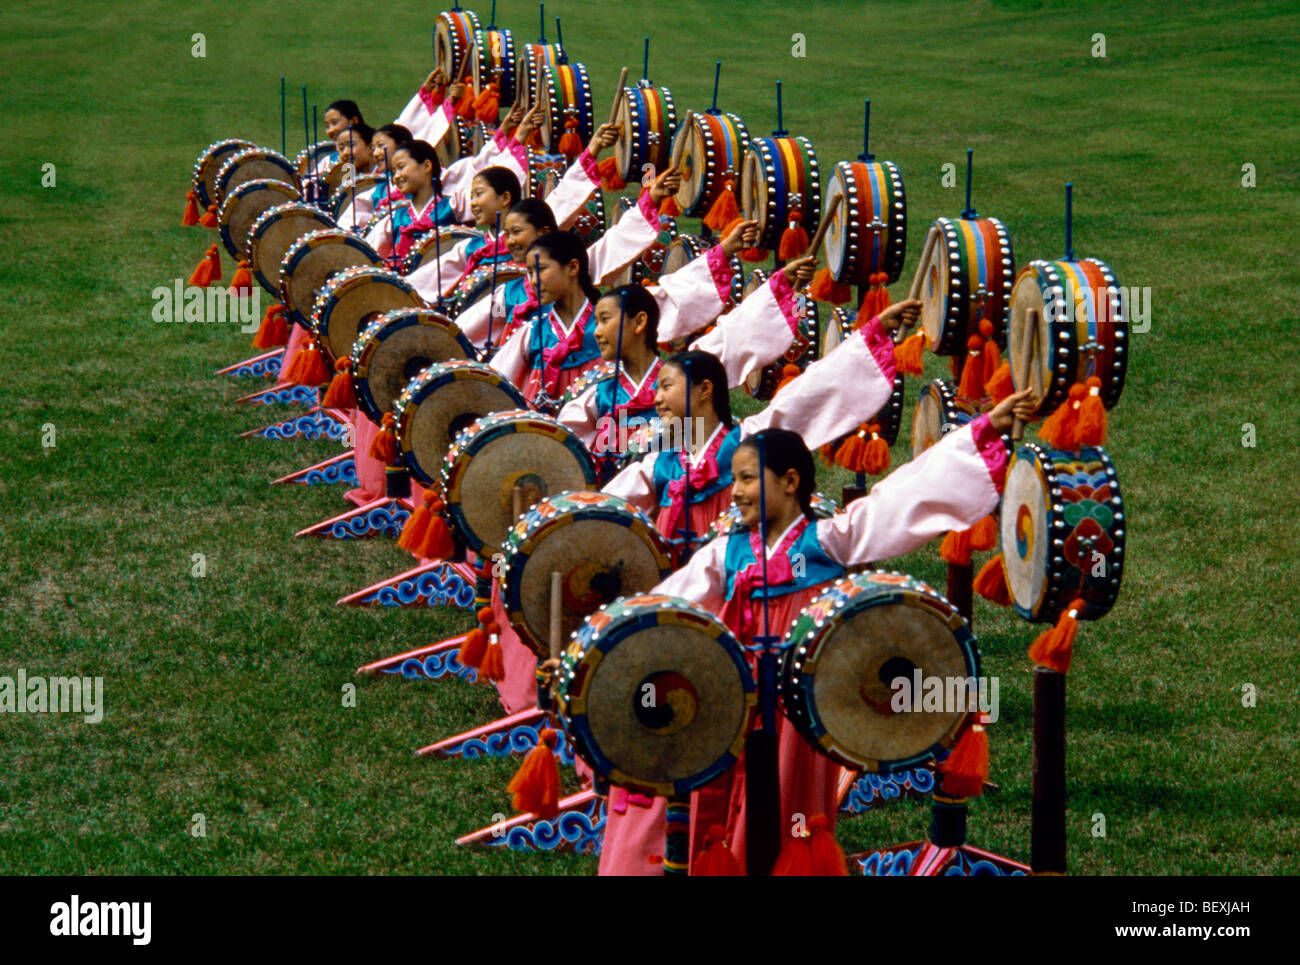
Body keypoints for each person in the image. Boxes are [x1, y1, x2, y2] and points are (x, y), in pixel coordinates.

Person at [634, 387, 1038, 874]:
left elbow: (902, 494)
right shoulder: (726, 552)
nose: (734, 490)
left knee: (795, 801)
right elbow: (669, 604)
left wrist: (984, 429)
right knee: (724, 796)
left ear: (789, 482)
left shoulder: (828, 539)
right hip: (735, 699)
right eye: (733, 479)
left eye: (746, 479)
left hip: (802, 705)